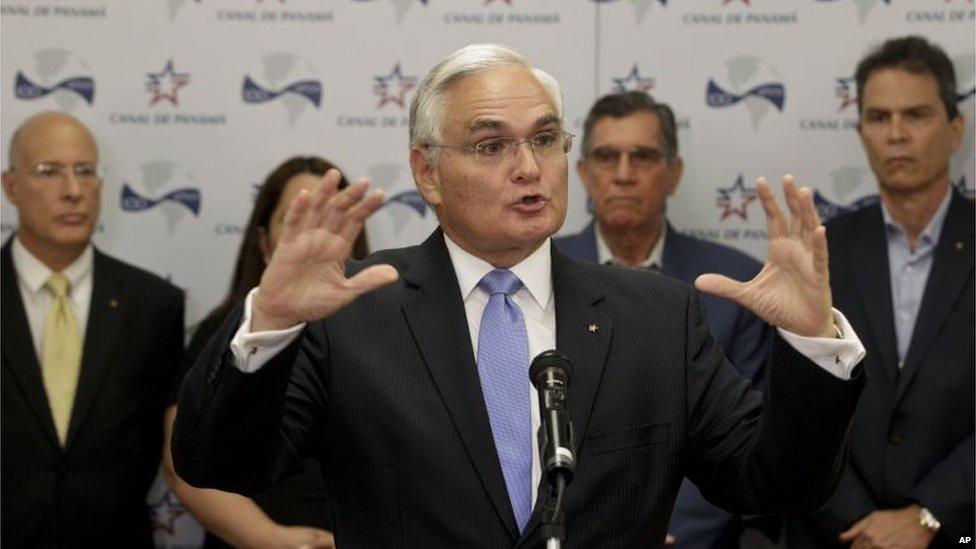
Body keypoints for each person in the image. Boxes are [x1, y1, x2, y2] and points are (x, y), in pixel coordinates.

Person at [173, 44, 866, 547]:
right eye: (491, 146)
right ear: (428, 171)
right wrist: (269, 320)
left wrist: (811, 343)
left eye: (544, 139)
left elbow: (776, 484)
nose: (529, 167)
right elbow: (220, 465)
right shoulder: (356, 312)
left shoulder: (657, 315)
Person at [555, 91, 771, 547]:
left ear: (674, 174)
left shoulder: (734, 284)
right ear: (583, 173)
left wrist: (667, 533)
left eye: (644, 157)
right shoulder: (537, 276)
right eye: (607, 157)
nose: (624, 174)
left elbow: (744, 443)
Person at [787, 36, 973, 549]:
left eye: (916, 115)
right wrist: (863, 526)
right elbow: (795, 410)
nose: (896, 135)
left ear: (955, 130)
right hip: (840, 534)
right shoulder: (821, 251)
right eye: (878, 118)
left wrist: (929, 515)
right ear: (861, 130)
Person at [162, 156, 368, 548]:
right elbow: (183, 465)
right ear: (263, 241)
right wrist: (270, 539)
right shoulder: (224, 332)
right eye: (296, 219)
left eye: (328, 218)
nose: (313, 236)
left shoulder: (391, 326)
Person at [1, 111, 184, 547]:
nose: (72, 191)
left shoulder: (153, 306)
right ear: (10, 186)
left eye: (85, 171)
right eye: (49, 172)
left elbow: (176, 457)